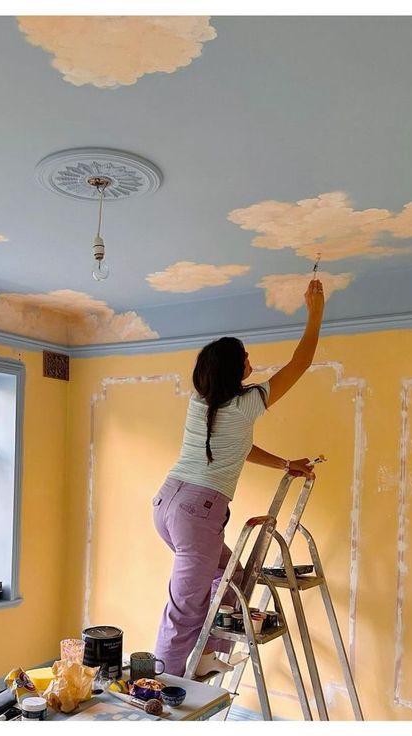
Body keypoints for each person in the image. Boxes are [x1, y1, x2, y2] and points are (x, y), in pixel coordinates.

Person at [152, 277, 325, 678]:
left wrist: (285, 463)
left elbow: (237, 449)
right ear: (235, 368)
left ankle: (208, 656)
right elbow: (300, 364)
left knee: (230, 582)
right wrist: (315, 315)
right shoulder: (248, 403)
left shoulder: (203, 402)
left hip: (168, 504)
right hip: (197, 513)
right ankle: (168, 697)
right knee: (185, 609)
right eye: (245, 356)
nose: (251, 359)